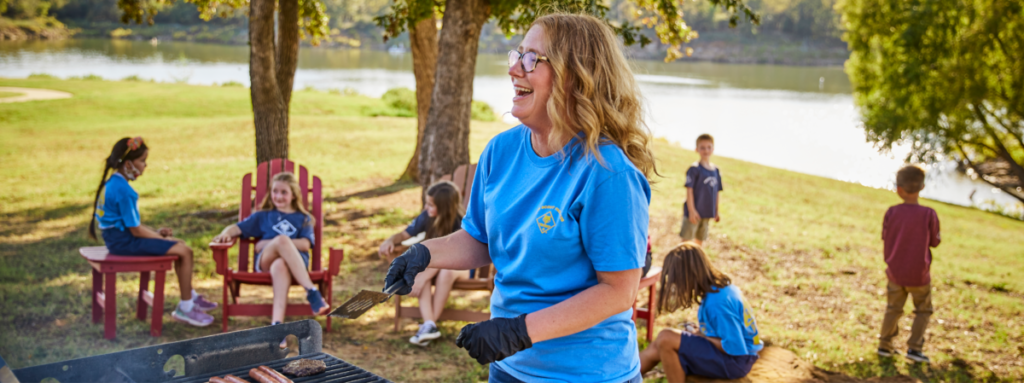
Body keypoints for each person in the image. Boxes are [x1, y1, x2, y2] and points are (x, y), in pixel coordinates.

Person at [383, 13, 656, 382]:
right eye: (517, 55)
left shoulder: (607, 173)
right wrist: (424, 253)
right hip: (510, 368)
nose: (515, 69)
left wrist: (518, 331)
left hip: (587, 373)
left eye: (532, 60)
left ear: (575, 76)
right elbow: (479, 238)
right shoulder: (501, 151)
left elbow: (617, 292)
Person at [89, 137, 217, 327]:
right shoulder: (125, 191)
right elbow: (136, 230)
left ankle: (190, 296)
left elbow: (130, 225)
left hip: (117, 239)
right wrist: (159, 237)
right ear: (129, 164)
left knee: (179, 244)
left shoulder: (113, 183)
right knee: (185, 251)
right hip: (124, 243)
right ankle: (186, 308)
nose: (145, 165)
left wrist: (158, 234)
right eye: (142, 161)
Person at [212, 172, 329, 324]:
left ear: (294, 195)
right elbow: (237, 228)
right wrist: (225, 233)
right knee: (281, 240)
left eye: (284, 192)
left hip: (296, 265)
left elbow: (305, 245)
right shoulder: (263, 216)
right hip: (265, 261)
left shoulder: (304, 218)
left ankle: (277, 327)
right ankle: (311, 291)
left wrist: (267, 243)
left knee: (280, 262)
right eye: (275, 191)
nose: (278, 196)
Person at [640, 242, 763, 381]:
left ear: (688, 275)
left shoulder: (717, 303)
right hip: (734, 358)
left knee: (666, 338)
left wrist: (703, 337)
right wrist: (702, 333)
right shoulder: (717, 291)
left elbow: (735, 348)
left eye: (677, 280)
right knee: (659, 345)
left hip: (736, 362)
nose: (675, 285)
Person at [378, 181, 472, 346]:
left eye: (431, 205)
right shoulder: (427, 216)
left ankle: (428, 325)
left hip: (461, 267)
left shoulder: (460, 223)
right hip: (436, 265)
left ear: (444, 208)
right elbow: (403, 235)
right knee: (426, 272)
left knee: (444, 272)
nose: (427, 208)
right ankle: (430, 325)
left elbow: (451, 258)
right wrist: (389, 240)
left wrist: (421, 278)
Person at [877, 164, 940, 363]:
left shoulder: (891, 212)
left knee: (893, 308)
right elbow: (935, 242)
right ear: (922, 187)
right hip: (918, 274)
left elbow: (885, 237)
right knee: (923, 310)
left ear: (899, 189)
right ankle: (914, 348)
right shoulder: (929, 214)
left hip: (895, 272)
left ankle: (884, 345)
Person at [680, 134, 723, 246]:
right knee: (686, 242)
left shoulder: (716, 170)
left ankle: (696, 263)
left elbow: (717, 192)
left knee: (700, 241)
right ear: (697, 149)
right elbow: (689, 190)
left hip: (707, 213)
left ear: (713, 149)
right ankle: (682, 263)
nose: (706, 150)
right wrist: (692, 210)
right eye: (702, 147)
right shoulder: (694, 169)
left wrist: (716, 210)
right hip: (694, 213)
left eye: (709, 147)